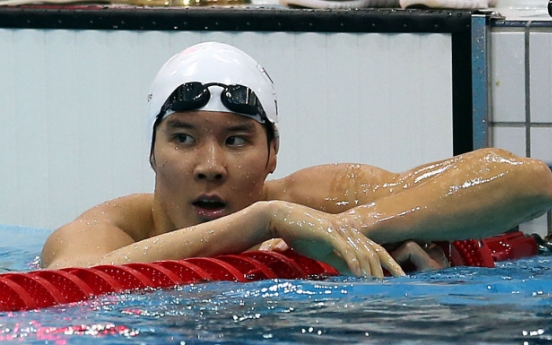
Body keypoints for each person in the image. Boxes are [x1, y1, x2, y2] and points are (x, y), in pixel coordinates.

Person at [41, 42, 552, 278]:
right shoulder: (111, 229)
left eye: (238, 140)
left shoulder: (313, 199)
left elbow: (526, 181)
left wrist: (354, 229)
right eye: (183, 138)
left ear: (273, 154)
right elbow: (63, 280)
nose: (211, 164)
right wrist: (260, 221)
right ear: (151, 152)